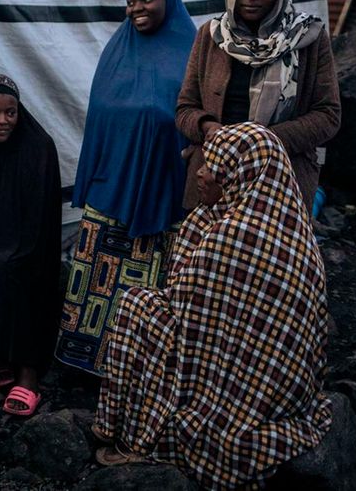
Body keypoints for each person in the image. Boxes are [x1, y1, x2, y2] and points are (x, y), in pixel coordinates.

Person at [92, 122, 332, 489]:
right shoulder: (282, 221)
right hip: (280, 382)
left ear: (236, 175)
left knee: (134, 308)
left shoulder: (236, 235)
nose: (201, 174)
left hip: (241, 379)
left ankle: (134, 435)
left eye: (211, 167)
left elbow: (189, 319)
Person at [55, 0, 196, 375]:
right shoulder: (118, 50)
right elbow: (98, 121)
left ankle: (139, 372)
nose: (137, 8)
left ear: (168, 0)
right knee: (99, 282)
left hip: (164, 195)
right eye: (131, 1)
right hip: (110, 192)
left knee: (151, 285)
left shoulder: (191, 52)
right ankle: (85, 363)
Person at [176, 0, 340, 211]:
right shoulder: (212, 35)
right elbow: (185, 108)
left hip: (280, 182)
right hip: (213, 181)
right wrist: (208, 128)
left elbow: (328, 116)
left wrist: (261, 141)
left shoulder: (308, 37)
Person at [0, 74, 61, 417]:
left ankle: (27, 372)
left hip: (28, 242)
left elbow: (42, 216)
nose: (2, 121)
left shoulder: (38, 147)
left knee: (17, 270)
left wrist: (18, 247)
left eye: (10, 113)